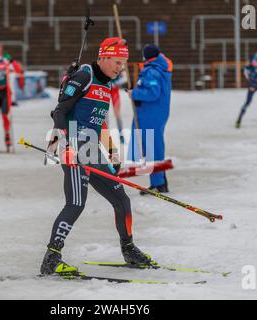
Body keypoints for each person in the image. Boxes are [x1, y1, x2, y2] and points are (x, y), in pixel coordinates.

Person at [40, 37, 157, 276]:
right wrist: (65, 142)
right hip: (71, 146)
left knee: (121, 199)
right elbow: (60, 111)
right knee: (76, 203)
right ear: (102, 57)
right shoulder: (84, 76)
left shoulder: (107, 85)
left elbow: (99, 121)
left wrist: (112, 151)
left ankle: (129, 249)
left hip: (91, 150)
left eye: (123, 63)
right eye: (116, 62)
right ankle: (51, 258)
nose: (120, 68)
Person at [127, 44, 173, 194]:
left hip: (151, 114)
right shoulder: (157, 69)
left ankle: (159, 183)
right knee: (152, 147)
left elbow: (153, 93)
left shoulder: (152, 71)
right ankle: (159, 181)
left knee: (153, 147)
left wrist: (135, 94)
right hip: (152, 113)